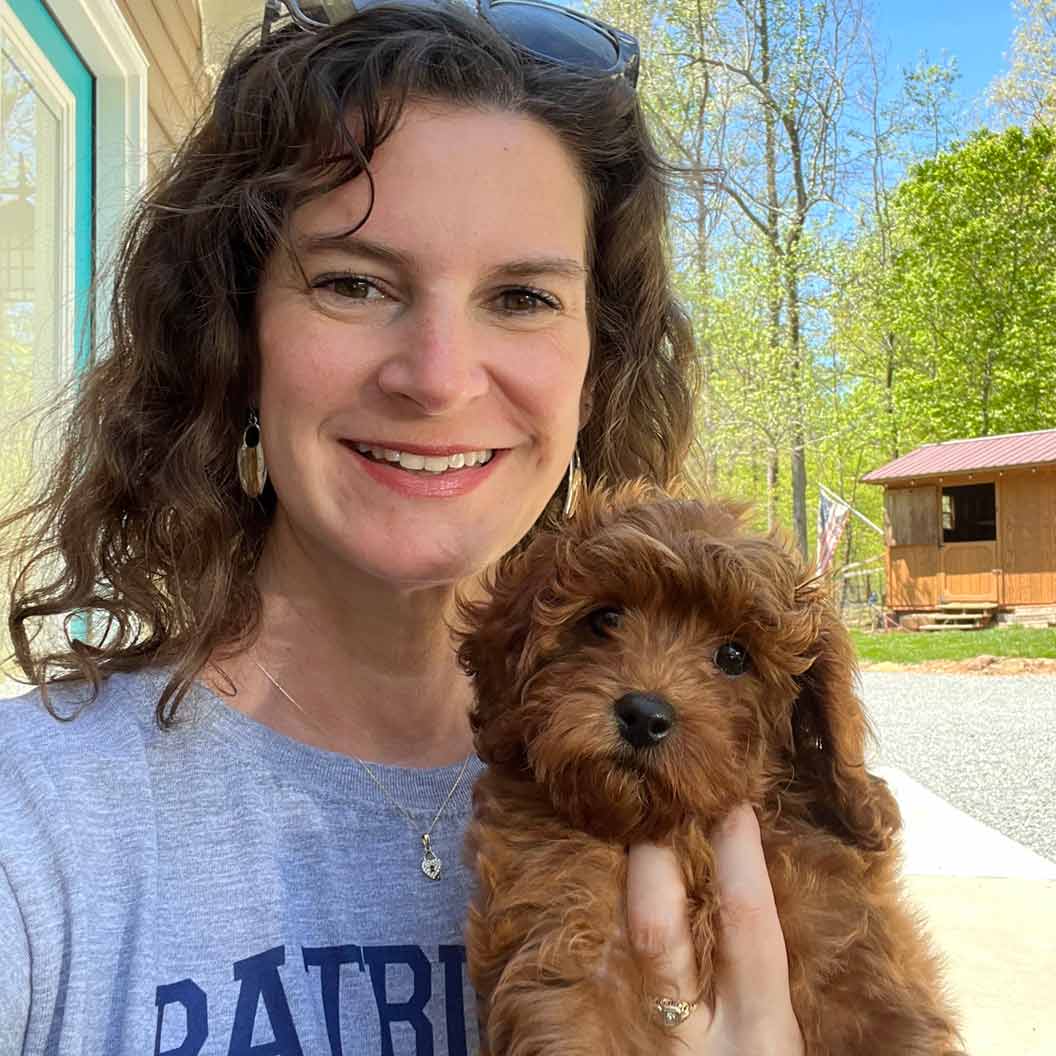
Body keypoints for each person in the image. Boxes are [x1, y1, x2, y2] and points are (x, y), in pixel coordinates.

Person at [0, 2, 805, 1053]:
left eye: (519, 297)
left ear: (594, 373)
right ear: (237, 338)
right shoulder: (38, 831)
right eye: (354, 283)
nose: (436, 377)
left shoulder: (730, 805)